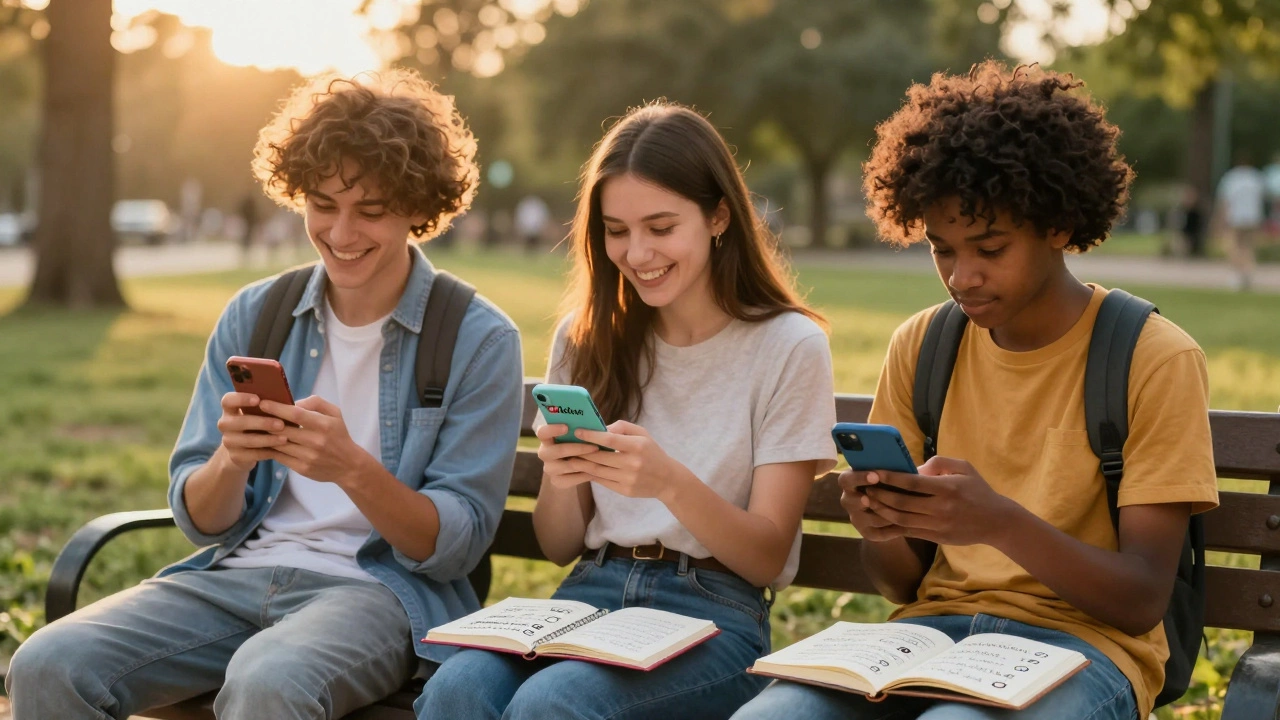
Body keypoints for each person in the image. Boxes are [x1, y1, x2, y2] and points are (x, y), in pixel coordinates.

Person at [6, 69, 525, 720]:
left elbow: (456, 545)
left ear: (420, 208)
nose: (340, 233)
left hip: (378, 593)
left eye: (371, 211)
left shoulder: (477, 339)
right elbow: (200, 515)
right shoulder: (258, 313)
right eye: (323, 204)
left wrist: (354, 471)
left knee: (269, 680)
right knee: (47, 664)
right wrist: (232, 459)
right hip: (235, 578)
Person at [732, 61, 1219, 720]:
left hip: (1086, 651)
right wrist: (882, 527)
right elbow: (899, 581)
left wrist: (997, 522)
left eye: (989, 247)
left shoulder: (1153, 357)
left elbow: (1138, 601)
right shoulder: (923, 345)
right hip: (930, 638)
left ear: (1056, 223)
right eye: (942, 250)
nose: (961, 277)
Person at [416, 101, 838, 720]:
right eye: (616, 230)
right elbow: (559, 545)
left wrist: (667, 481)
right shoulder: (587, 338)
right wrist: (564, 475)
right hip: (591, 591)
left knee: (551, 703)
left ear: (719, 216)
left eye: (661, 228)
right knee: (457, 689)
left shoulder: (789, 346)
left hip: (715, 612)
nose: (637, 252)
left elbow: (767, 557)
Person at [1215, 155, 1266, 291]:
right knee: (1248, 247)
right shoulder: (1256, 177)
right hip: (1252, 217)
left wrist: (1220, 220)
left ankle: (1238, 273)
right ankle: (1248, 271)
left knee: (1234, 246)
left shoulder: (1231, 178)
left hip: (1236, 217)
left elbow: (1225, 201)